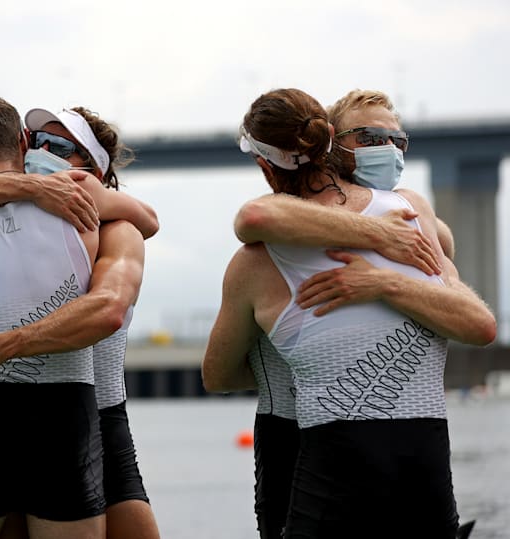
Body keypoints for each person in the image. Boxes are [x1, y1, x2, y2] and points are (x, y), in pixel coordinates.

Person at [202, 88, 495, 538]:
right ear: (332, 143)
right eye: (372, 138)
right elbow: (255, 217)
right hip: (416, 477)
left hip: (322, 467)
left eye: (397, 141)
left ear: (264, 165)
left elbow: (218, 376)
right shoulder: (408, 216)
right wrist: (379, 236)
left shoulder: (255, 262)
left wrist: (381, 283)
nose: (388, 150)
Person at [0, 105, 161, 539]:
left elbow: (110, 304)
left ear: (94, 168)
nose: (44, 152)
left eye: (61, 146)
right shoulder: (1, 215)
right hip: (33, 417)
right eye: (40, 141)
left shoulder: (112, 225)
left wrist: (1, 346)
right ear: (23, 146)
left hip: (98, 420)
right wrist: (28, 187)